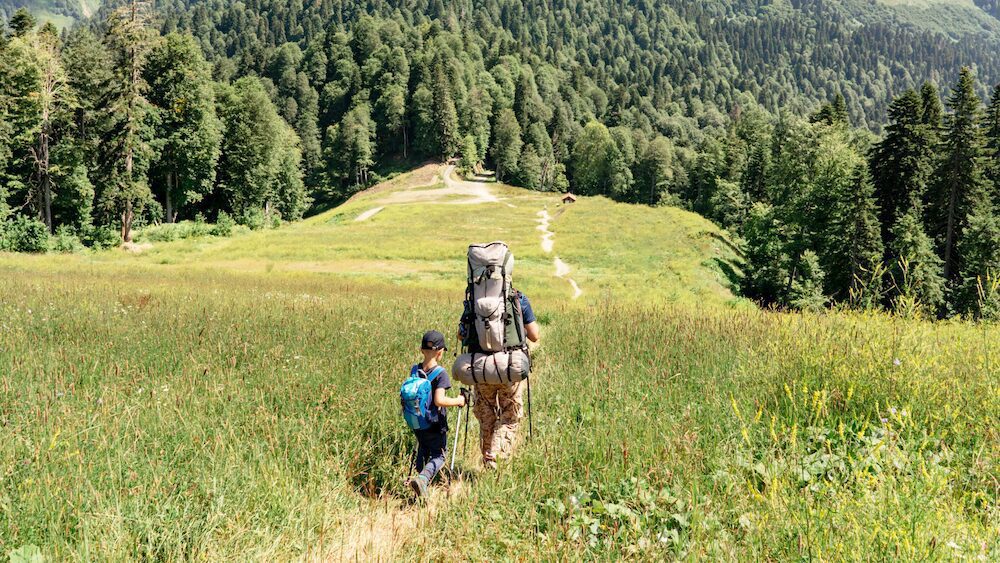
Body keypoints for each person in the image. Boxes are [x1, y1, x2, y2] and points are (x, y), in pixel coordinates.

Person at [466, 293, 540, 469]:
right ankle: (497, 455)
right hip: (509, 366)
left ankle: (486, 457)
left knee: (486, 413)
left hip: (481, 367)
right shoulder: (518, 298)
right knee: (510, 413)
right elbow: (534, 335)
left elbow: (462, 335)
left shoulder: (474, 297)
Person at [408, 330, 466, 498]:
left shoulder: (415, 369)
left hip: (417, 421)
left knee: (423, 448)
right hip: (434, 423)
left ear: (421, 350)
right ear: (440, 352)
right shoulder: (440, 374)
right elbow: (439, 400)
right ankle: (423, 479)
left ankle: (419, 478)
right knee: (439, 455)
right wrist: (458, 400)